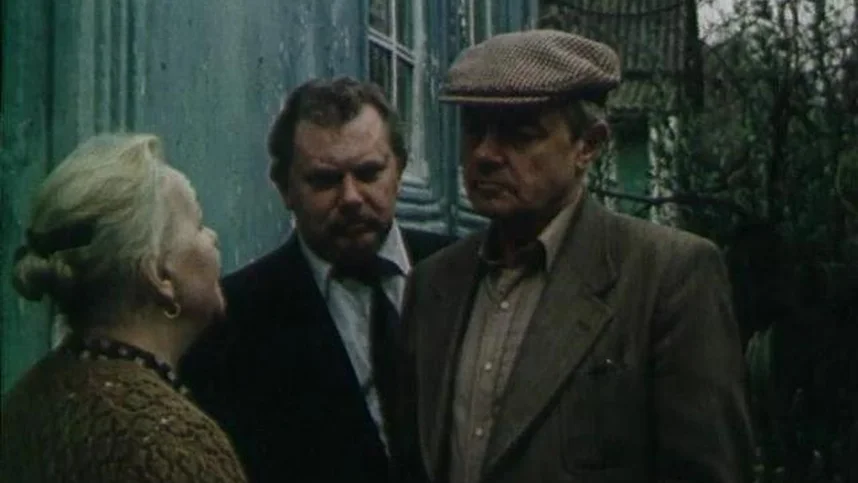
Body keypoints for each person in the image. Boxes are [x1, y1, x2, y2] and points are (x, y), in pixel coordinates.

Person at [395, 30, 755, 483]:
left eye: (519, 135)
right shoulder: (433, 282)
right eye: (474, 130)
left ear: (588, 145)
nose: (484, 154)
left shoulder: (668, 276)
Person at [180, 76, 453, 483]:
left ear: (399, 170)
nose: (351, 198)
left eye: (368, 173)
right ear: (285, 188)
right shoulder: (231, 320)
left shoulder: (468, 274)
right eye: (325, 180)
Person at [1, 133, 248, 482]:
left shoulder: (21, 405)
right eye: (198, 224)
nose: (212, 237)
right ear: (161, 276)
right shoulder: (170, 444)